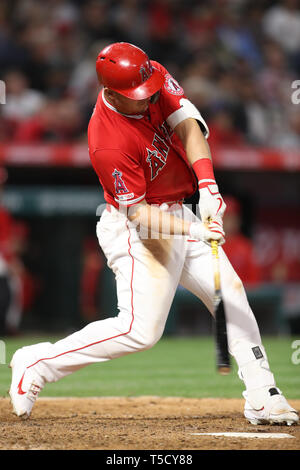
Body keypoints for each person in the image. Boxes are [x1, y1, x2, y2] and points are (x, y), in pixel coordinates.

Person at [9, 42, 298, 426]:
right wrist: (194, 226)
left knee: (230, 294)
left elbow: (187, 125)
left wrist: (209, 186)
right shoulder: (106, 140)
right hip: (138, 228)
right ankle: (37, 363)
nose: (145, 101)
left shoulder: (150, 75)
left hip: (178, 208)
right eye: (135, 98)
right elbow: (139, 212)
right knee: (140, 331)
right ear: (110, 93)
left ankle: (263, 394)